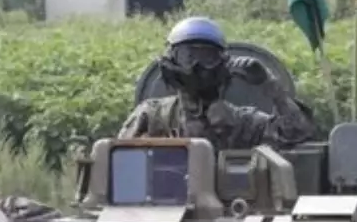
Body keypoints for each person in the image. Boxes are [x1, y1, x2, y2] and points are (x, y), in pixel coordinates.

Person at [119, 17, 321, 149]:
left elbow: (297, 132)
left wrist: (270, 86)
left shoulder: (243, 123)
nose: (196, 66)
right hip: (162, 208)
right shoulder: (153, 116)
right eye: (188, 56)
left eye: (207, 56)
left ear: (222, 63)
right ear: (171, 61)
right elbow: (117, 162)